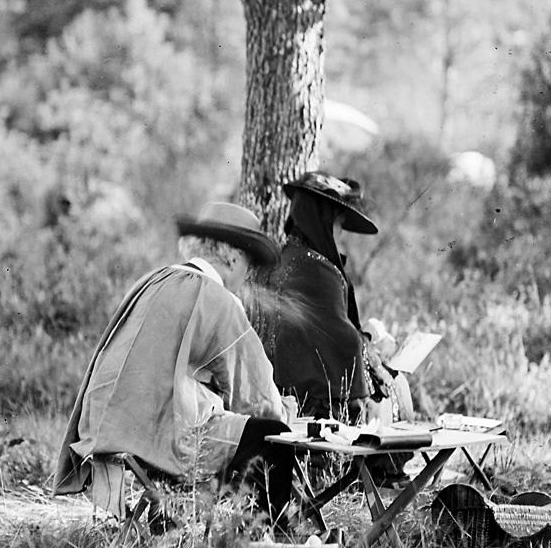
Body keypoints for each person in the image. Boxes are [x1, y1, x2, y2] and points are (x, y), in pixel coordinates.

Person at [52, 201, 296, 529]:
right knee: (273, 436)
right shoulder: (220, 300)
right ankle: (274, 539)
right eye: (248, 263)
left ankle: (170, 523)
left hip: (107, 432)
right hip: (162, 441)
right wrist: (286, 412)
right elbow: (258, 397)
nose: (248, 274)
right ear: (232, 255)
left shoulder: (152, 281)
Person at [253, 170, 406, 424]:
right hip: (315, 409)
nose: (341, 234)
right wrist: (371, 347)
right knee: (397, 386)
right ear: (321, 221)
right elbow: (342, 342)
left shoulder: (278, 260)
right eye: (338, 224)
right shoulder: (317, 268)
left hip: (274, 397)